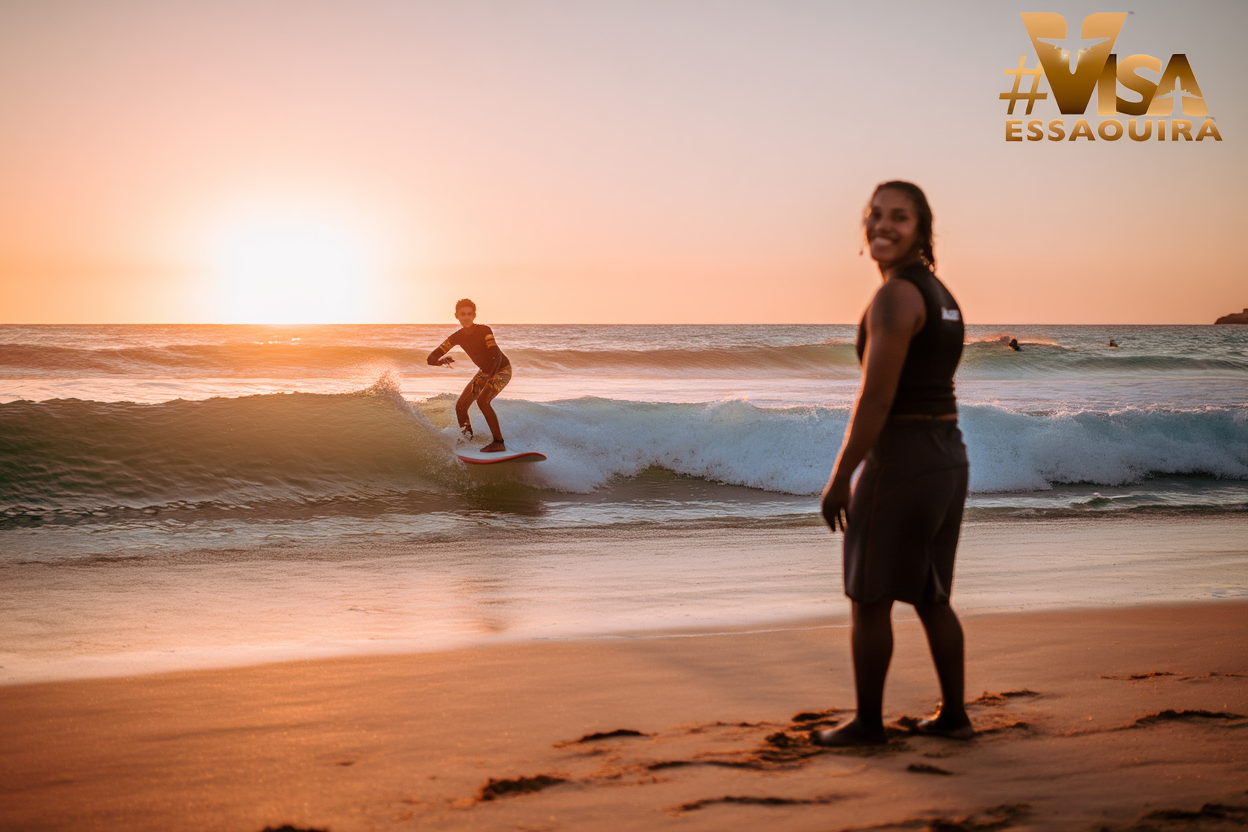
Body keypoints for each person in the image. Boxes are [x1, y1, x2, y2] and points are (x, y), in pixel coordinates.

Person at [815, 181, 972, 747]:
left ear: (921, 230)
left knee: (869, 597)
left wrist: (841, 478)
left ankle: (867, 725)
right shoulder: (941, 295)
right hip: (948, 456)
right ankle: (954, 716)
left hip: (903, 458)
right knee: (932, 595)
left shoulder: (894, 297)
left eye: (899, 217)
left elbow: (877, 398)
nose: (883, 225)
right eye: (876, 214)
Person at [427, 299, 512, 453]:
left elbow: (497, 356)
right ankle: (468, 440)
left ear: (474, 315)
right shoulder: (457, 337)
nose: (466, 317)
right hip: (484, 372)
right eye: (462, 314)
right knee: (460, 406)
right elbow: (431, 358)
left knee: (482, 401)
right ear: (456, 316)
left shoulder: (484, 330)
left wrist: (490, 376)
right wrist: (441, 361)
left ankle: (499, 442)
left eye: (469, 314)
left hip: (501, 369)